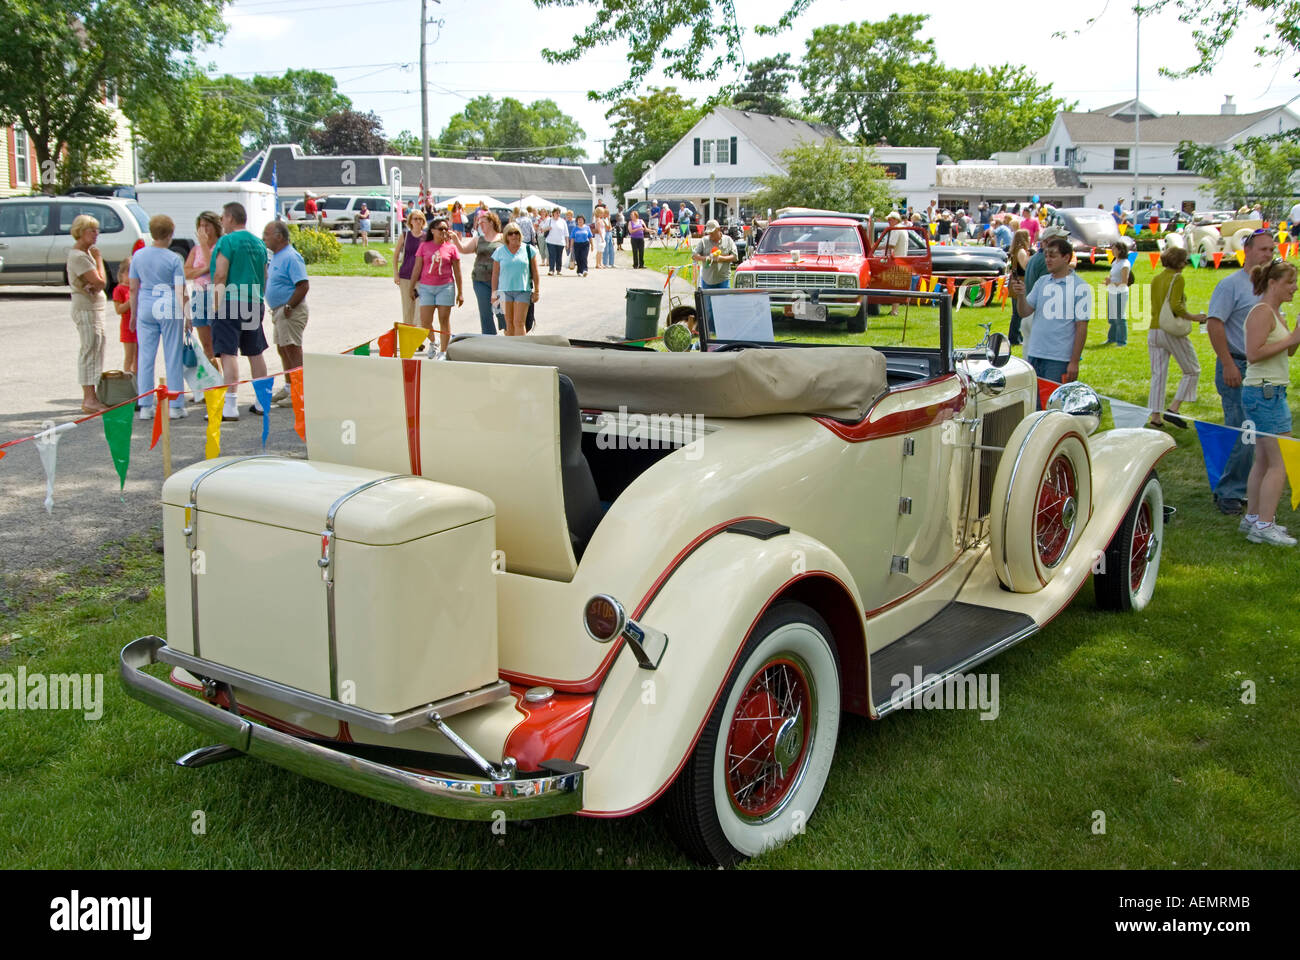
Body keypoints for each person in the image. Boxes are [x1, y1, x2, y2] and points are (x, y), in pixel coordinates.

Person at [1205, 229, 1273, 513]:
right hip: (1237, 365)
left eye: (1272, 250)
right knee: (1243, 430)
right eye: (1263, 250)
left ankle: (1246, 487)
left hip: (1263, 368)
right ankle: (1228, 492)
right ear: (1247, 251)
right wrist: (1229, 363)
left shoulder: (1269, 287)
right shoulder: (1231, 285)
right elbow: (1214, 323)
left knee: (1259, 433)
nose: (1268, 255)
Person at [1240, 259, 1300, 545]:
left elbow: (1286, 353)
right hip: (1264, 394)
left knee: (1263, 460)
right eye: (1290, 282)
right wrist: (1293, 338)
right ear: (1273, 283)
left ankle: (1253, 518)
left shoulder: (1276, 313)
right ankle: (1264, 526)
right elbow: (1253, 353)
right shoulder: (1262, 312)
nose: (1295, 287)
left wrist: (1295, 335)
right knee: (1281, 462)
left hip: (1269, 392)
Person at [210, 201, 270, 422]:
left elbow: (220, 274)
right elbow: (264, 274)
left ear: (230, 218)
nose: (222, 223)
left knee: (228, 352)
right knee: (255, 351)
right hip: (254, 300)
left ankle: (231, 404)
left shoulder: (227, 241)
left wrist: (216, 305)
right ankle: (262, 401)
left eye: (223, 218)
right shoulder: (259, 243)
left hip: (230, 300)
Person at [129, 214, 188, 420]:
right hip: (169, 304)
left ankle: (145, 404)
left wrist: (133, 314)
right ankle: (175, 405)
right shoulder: (173, 258)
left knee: (145, 356)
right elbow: (181, 289)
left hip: (145, 305)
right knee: (172, 355)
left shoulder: (138, 256)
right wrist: (187, 314)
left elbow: (134, 288)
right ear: (170, 234)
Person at [1010, 235, 1090, 383]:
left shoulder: (1080, 287)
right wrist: (1021, 295)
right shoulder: (1042, 282)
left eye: (1053, 256)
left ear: (1066, 258)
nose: (1047, 260)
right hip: (1034, 354)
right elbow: (1024, 312)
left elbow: (1081, 327)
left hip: (1059, 359)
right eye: (1046, 255)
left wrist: (1074, 362)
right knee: (1035, 404)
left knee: (1053, 404)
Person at [1145, 246, 1207, 429]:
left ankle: (1155, 416)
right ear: (1179, 262)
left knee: (1158, 374)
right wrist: (1195, 317)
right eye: (1185, 260)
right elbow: (1176, 306)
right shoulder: (1177, 278)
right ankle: (1174, 408)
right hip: (1169, 330)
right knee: (1192, 370)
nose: (1186, 263)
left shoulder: (1156, 279)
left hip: (1154, 329)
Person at [262, 220, 310, 409]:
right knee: (283, 349)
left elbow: (303, 285)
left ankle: (301, 392)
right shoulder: (277, 256)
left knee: (293, 349)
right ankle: (290, 387)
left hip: (290, 310)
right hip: (279, 311)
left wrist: (290, 306)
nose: (264, 238)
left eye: (267, 234)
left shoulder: (291, 257)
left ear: (279, 237)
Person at [66, 215, 109, 414]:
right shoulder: (79, 256)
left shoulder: (85, 254)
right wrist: (99, 259)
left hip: (94, 307)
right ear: (81, 232)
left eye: (96, 230)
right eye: (91, 230)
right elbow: (100, 282)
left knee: (97, 347)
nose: (96, 234)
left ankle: (93, 395)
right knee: (90, 349)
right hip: (85, 308)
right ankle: (89, 398)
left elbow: (98, 283)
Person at [409, 218, 463, 356]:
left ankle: (444, 352)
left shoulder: (451, 248)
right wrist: (411, 286)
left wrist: (460, 292)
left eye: (446, 228)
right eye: (440, 229)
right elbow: (417, 268)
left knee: (444, 320)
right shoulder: (424, 246)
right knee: (425, 321)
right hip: (426, 287)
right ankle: (434, 341)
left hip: (445, 286)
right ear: (432, 231)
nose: (444, 231)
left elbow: (457, 271)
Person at [454, 210, 505, 335]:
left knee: (501, 311)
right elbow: (464, 249)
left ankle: (508, 335)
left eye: (483, 222)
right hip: (480, 281)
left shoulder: (503, 238)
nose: (480, 225)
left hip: (500, 281)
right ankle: (489, 339)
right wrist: (455, 239)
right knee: (485, 312)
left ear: (492, 223)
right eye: (479, 222)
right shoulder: (478, 239)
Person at [185, 211, 221, 369]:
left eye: (207, 225)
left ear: (215, 226)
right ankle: (212, 382)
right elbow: (186, 272)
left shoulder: (220, 245)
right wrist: (202, 270)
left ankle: (223, 381)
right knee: (205, 344)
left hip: (214, 294)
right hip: (198, 294)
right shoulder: (195, 249)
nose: (204, 229)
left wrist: (205, 247)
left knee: (217, 342)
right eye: (201, 226)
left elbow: (213, 268)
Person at [491, 223, 540, 337]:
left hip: (523, 290)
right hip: (504, 291)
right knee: (508, 324)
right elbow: (495, 274)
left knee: (519, 322)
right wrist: (494, 294)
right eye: (510, 233)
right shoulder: (499, 251)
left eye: (516, 233)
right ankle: (510, 351)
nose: (514, 236)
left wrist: (537, 291)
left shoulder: (528, 249)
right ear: (506, 236)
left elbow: (535, 272)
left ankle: (520, 350)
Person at [692, 219, 738, 327]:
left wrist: (722, 258)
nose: (710, 235)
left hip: (723, 279)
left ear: (718, 229)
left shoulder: (728, 240)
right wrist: (706, 258)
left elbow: (735, 257)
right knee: (709, 308)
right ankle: (712, 330)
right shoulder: (704, 241)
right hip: (708, 280)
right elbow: (694, 255)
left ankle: (724, 328)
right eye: (709, 233)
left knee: (724, 306)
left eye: (712, 233)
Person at [112, 238, 146, 381]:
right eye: (128, 273)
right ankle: (127, 380)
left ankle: (138, 381)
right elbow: (118, 309)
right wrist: (130, 300)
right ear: (122, 274)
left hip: (140, 326)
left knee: (139, 357)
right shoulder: (119, 289)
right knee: (129, 356)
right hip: (127, 327)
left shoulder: (139, 287)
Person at [393, 209, 426, 326]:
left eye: (420, 219)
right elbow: (396, 255)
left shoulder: (426, 237)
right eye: (415, 219)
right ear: (410, 221)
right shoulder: (405, 235)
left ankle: (417, 336)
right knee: (408, 308)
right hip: (405, 276)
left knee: (420, 308)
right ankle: (408, 337)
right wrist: (395, 273)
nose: (418, 221)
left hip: (421, 278)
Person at [1006, 229, 1032, 345]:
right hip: (1020, 281)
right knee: (1018, 313)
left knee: (1016, 312)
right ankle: (1014, 337)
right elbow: (1026, 266)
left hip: (1015, 281)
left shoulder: (1015, 250)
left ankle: (1015, 336)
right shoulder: (1021, 251)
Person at [1104, 240, 1131, 346]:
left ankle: (1122, 341)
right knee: (1112, 317)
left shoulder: (1125, 264)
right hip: (1112, 292)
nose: (1112, 250)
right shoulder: (1115, 262)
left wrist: (1112, 282)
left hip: (1120, 293)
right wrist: (1108, 281)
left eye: (1114, 249)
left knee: (1120, 317)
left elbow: (1124, 282)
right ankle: (1112, 338)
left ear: (1120, 250)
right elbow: (1113, 276)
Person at [544, 207, 568, 276]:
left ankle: (558, 270)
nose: (558, 214)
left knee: (559, 256)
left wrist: (567, 243)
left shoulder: (563, 221)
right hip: (550, 241)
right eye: (556, 212)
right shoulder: (549, 220)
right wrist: (547, 228)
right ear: (553, 213)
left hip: (560, 242)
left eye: (559, 213)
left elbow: (566, 233)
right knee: (552, 256)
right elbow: (542, 229)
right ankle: (551, 270)